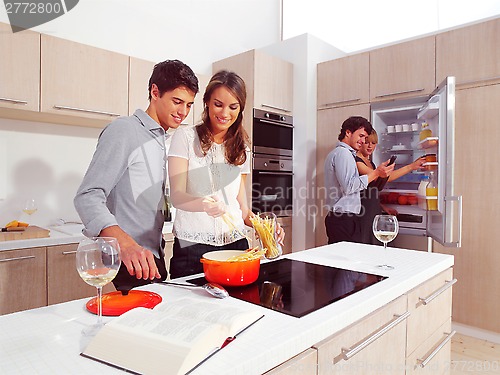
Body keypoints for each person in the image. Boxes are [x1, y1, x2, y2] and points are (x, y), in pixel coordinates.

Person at [74, 60, 199, 292]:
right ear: (155, 92)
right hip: (129, 258)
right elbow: (87, 195)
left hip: (152, 256)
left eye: (189, 105)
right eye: (177, 101)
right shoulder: (125, 130)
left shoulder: (162, 139)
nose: (183, 112)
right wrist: (125, 245)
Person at [168, 70, 284, 279]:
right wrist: (202, 203)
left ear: (240, 109)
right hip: (193, 251)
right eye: (218, 104)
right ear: (207, 102)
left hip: (237, 246)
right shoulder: (185, 137)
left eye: (233, 107)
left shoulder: (242, 149)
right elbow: (177, 196)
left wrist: (267, 227)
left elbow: (242, 209)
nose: (224, 113)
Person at [324, 116, 394, 244]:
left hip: (342, 218)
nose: (363, 141)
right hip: (344, 219)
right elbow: (350, 187)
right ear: (348, 132)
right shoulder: (343, 154)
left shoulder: (340, 153)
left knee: (341, 262)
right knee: (347, 262)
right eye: (360, 136)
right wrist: (376, 173)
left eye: (365, 138)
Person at [355, 129, 425, 244]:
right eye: (367, 142)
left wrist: (383, 207)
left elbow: (371, 191)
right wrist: (411, 167)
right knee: (366, 244)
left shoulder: (370, 163)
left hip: (373, 210)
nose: (370, 146)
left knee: (374, 244)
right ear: (361, 142)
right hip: (363, 212)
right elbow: (385, 177)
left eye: (373, 143)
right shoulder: (357, 162)